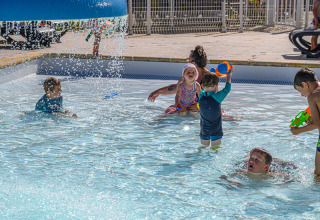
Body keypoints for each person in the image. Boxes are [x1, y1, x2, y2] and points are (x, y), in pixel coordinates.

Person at [148, 45, 209, 113]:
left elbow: (214, 98)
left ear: (193, 63)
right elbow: (177, 88)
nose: (187, 62)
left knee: (220, 112)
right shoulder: (187, 75)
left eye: (188, 60)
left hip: (201, 109)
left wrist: (199, 106)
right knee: (169, 110)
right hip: (185, 107)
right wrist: (158, 91)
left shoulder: (209, 78)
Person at [290, 67, 320, 176]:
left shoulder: (313, 96)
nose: (302, 95)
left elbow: (317, 124)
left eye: (300, 90)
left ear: (305, 84)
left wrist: (298, 131)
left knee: (318, 173)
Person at [198, 70, 232, 149]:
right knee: (215, 149)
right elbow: (227, 88)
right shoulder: (217, 97)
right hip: (215, 131)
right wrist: (229, 75)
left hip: (204, 130)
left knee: (203, 147)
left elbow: (205, 90)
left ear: (202, 85)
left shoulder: (201, 95)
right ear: (217, 85)